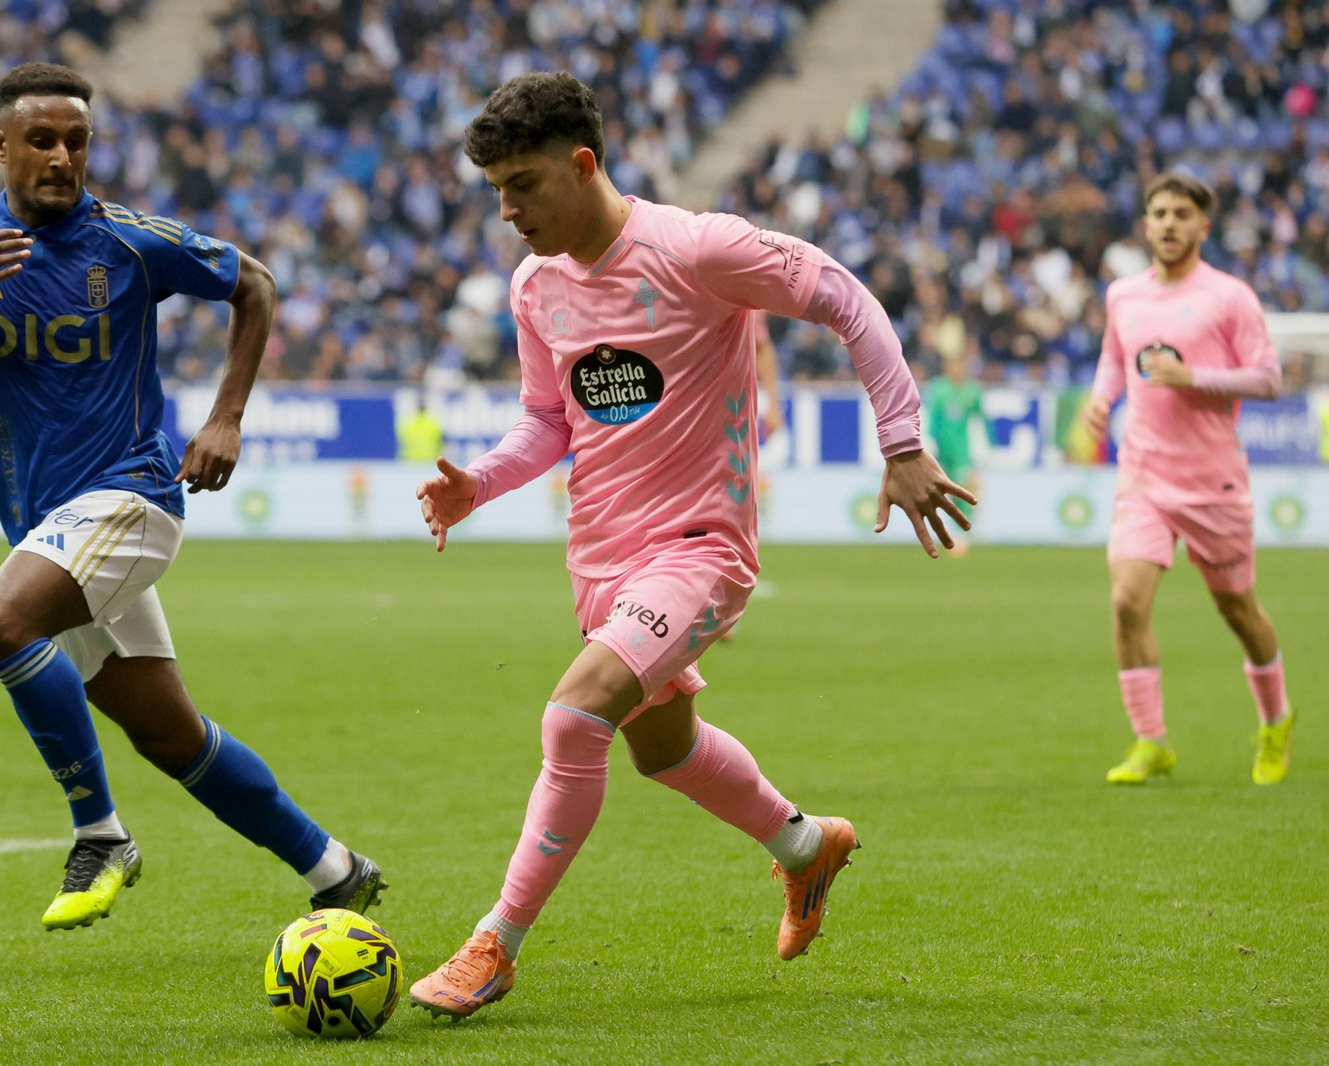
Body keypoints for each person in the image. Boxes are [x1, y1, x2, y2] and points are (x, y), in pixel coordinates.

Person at [409, 72, 973, 1019]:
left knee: (573, 716)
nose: (506, 211)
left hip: (701, 546)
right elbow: (551, 418)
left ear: (583, 164)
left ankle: (493, 946)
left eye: (524, 185)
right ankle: (804, 845)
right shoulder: (535, 283)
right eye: (495, 191)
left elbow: (844, 296)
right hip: (600, 558)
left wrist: (904, 441)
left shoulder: (696, 248)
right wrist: (482, 482)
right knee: (661, 749)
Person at [0, 63, 383, 930]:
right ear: (2, 146)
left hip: (134, 497)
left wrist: (225, 418)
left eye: (77, 141)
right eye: (41, 140)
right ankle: (335, 868)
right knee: (171, 735)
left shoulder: (129, 242)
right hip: (49, 527)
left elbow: (253, 282)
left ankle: (99, 832)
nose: (62, 157)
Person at [1080, 172, 1294, 787]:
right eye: (1159, 213)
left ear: (1204, 226)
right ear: (1145, 224)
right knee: (1126, 601)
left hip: (1212, 483)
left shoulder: (1230, 297)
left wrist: (1192, 376)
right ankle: (1151, 741)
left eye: (1181, 214)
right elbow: (1113, 358)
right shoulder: (1124, 295)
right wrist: (1101, 399)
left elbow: (1269, 379)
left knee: (1237, 608)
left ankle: (1275, 720)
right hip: (1144, 475)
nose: (1169, 223)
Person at [922, 355, 987, 554]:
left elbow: (981, 419)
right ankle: (942, 530)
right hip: (941, 451)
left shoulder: (972, 390)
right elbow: (932, 418)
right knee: (939, 492)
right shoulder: (938, 389)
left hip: (963, 451)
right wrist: (930, 442)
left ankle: (961, 533)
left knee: (963, 488)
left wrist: (988, 445)